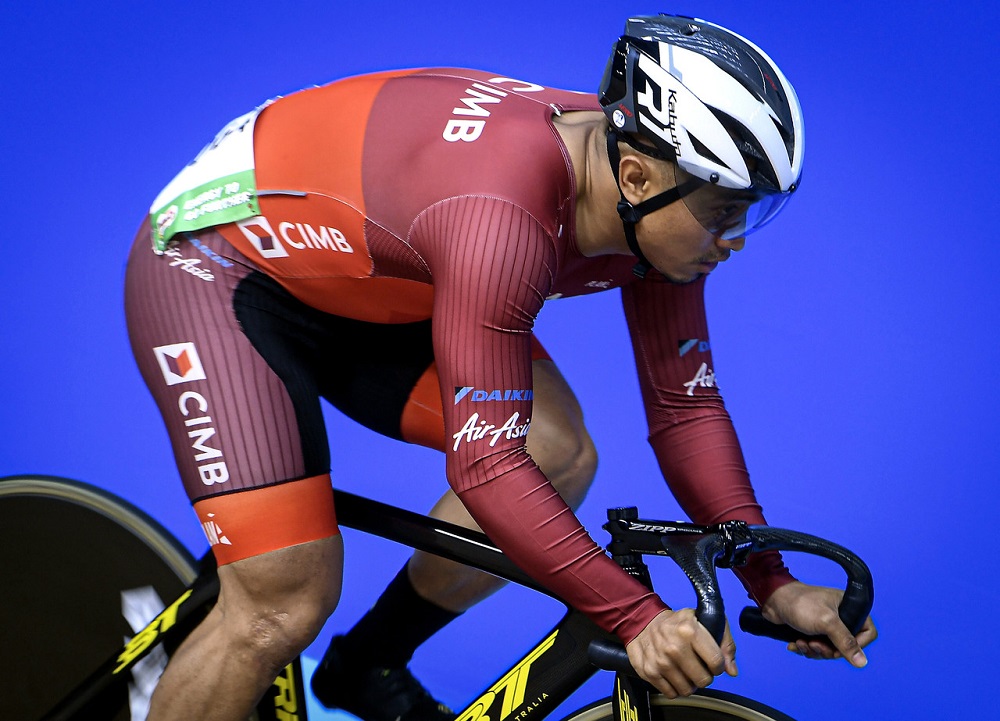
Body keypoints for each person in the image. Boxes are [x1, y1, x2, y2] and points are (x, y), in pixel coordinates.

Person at [124, 13, 876, 721]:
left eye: (750, 212)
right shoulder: (502, 214)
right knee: (281, 604)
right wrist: (634, 615)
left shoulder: (649, 185)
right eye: (723, 212)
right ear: (640, 178)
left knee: (558, 451)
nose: (735, 239)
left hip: (379, 281)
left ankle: (368, 662)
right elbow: (486, 463)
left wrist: (769, 582)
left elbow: (684, 408)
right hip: (219, 271)